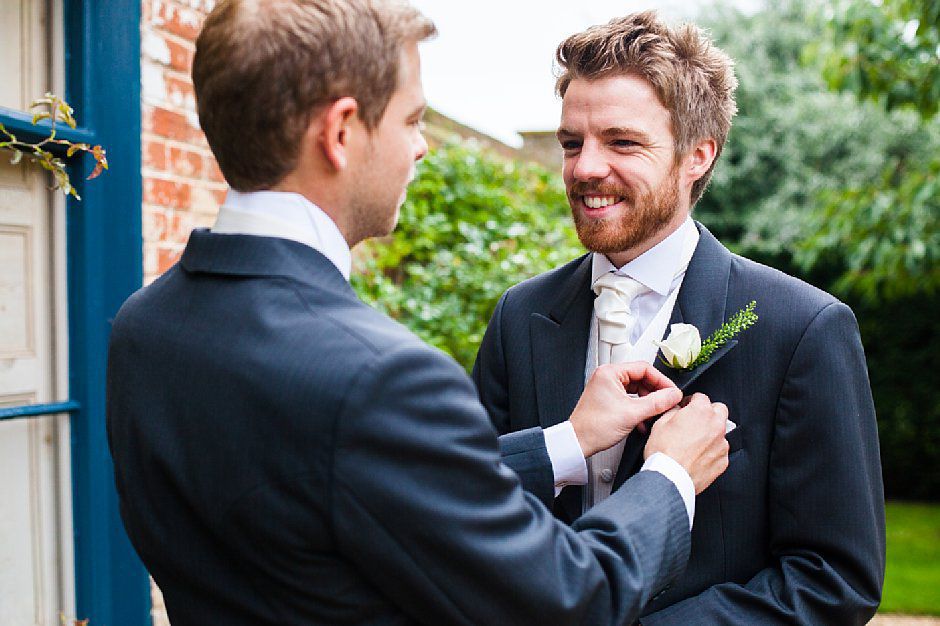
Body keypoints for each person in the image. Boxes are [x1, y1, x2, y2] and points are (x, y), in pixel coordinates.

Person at [106, 1, 732, 624]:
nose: (423, 147)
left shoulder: (144, 325)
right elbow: (571, 600)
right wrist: (670, 477)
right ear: (342, 132)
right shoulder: (383, 377)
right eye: (411, 120)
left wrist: (565, 443)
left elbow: (343, 484)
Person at [473, 11, 885, 624]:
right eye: (571, 143)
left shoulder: (802, 328)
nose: (584, 168)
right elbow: (465, 509)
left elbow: (832, 579)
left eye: (622, 142)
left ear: (697, 156)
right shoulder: (521, 314)